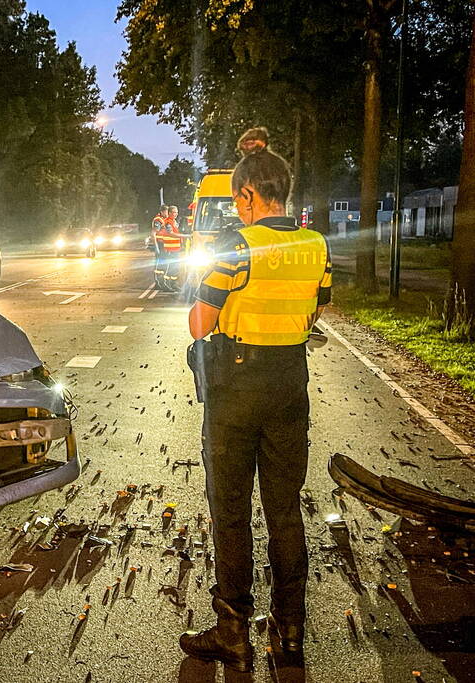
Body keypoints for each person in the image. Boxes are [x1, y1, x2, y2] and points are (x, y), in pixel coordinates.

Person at [179, 143, 331, 672]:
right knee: (285, 511)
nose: (238, 209)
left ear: (247, 194)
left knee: (232, 512)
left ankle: (233, 632)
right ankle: (290, 633)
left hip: (236, 388)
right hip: (291, 384)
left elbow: (200, 324)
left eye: (238, 200)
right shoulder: (317, 246)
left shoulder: (234, 246)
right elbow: (316, 312)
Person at [156, 206, 184, 291]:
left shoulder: (174, 221)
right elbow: (171, 233)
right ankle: (167, 284)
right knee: (170, 267)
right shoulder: (168, 222)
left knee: (175, 267)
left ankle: (173, 284)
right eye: (174, 212)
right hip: (169, 248)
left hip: (175, 247)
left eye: (177, 212)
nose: (176, 214)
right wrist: (185, 236)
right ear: (170, 213)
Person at [151, 206, 169, 288]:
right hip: (160, 244)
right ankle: (159, 282)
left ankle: (161, 283)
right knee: (160, 264)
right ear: (162, 212)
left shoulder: (164, 219)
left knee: (164, 263)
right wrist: (156, 246)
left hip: (164, 245)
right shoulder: (158, 220)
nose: (167, 213)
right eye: (166, 212)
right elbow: (153, 233)